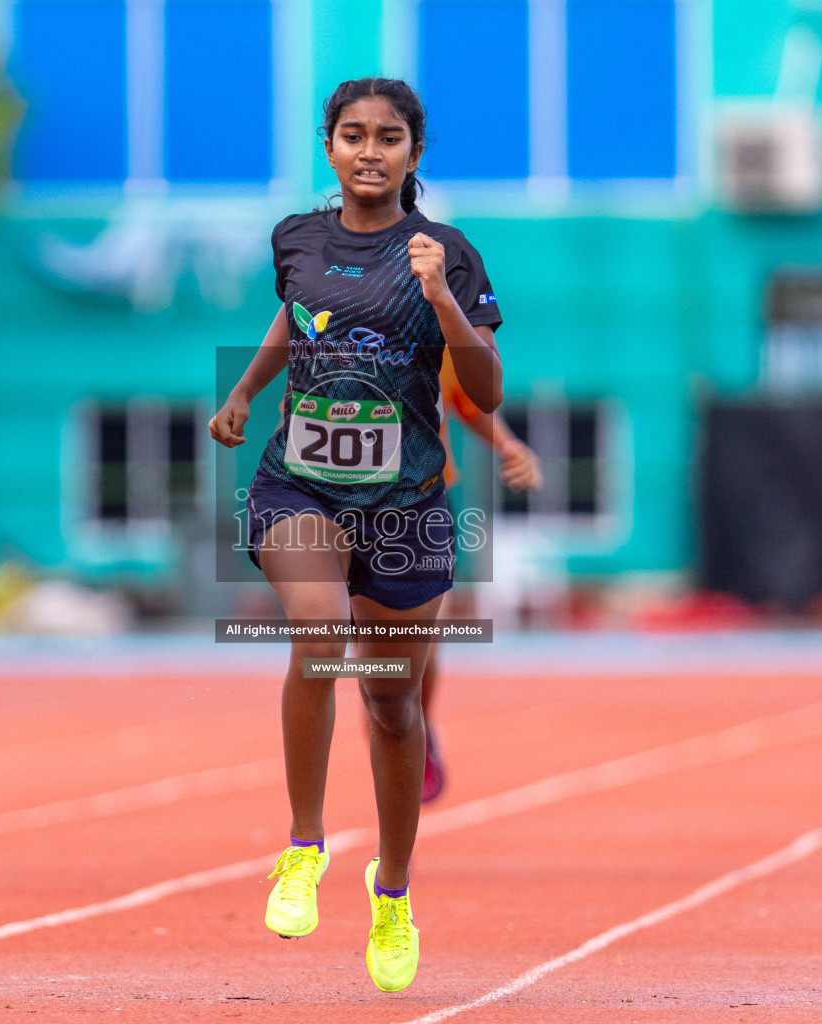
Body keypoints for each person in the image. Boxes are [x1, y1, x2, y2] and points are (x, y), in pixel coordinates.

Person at [208, 77, 503, 993]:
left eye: (387, 137)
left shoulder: (447, 253)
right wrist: (247, 391)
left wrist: (440, 301)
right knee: (318, 636)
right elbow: (296, 321)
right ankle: (304, 845)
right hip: (299, 483)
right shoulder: (296, 238)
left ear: (415, 153)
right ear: (328, 148)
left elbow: (486, 390)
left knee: (390, 703)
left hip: (407, 504)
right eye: (351, 135)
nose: (368, 150)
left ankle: (394, 894)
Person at [419, 353, 541, 802]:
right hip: (347, 504)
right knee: (377, 663)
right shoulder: (332, 324)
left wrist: (510, 447)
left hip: (422, 503)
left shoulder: (438, 331)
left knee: (420, 650)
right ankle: (393, 832)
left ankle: (419, 726)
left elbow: (470, 403)